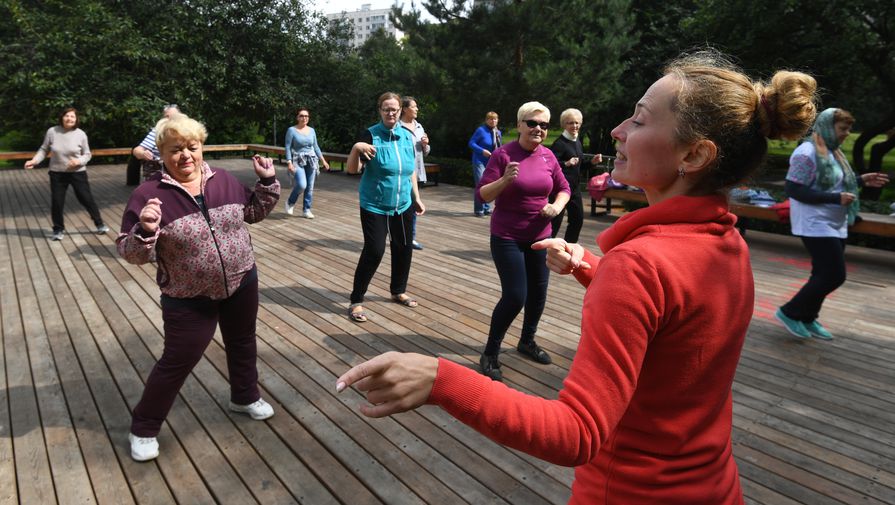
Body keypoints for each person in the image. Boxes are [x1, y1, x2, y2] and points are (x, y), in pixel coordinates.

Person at [335, 51, 820, 504]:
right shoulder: (727, 245)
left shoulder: (640, 266)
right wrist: (592, 268)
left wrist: (441, 378)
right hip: (714, 485)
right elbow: (679, 326)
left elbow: (578, 432)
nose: (617, 129)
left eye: (640, 119)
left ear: (693, 156)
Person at [116, 114, 280, 462]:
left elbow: (252, 212)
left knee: (242, 341)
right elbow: (131, 253)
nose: (186, 155)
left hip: (241, 280)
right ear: (161, 152)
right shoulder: (149, 195)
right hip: (188, 298)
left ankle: (245, 396)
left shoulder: (224, 180)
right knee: (178, 360)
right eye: (176, 149)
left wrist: (266, 183)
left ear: (202, 147)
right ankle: (143, 427)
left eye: (193, 147)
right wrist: (145, 229)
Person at [475, 101, 571, 380]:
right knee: (516, 295)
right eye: (532, 123)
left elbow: (564, 188)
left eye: (544, 125)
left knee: (538, 294)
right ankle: (491, 352)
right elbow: (483, 195)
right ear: (519, 125)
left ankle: (526, 341)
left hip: (540, 238)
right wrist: (504, 180)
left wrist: (556, 206)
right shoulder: (503, 155)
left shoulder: (548, 157)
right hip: (507, 236)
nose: (538, 129)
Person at [775, 108, 889, 339]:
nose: (847, 133)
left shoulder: (832, 152)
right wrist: (835, 199)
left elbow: (833, 183)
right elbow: (793, 189)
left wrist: (860, 180)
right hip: (814, 223)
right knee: (834, 275)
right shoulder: (806, 152)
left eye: (848, 129)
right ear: (827, 126)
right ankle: (790, 312)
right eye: (843, 128)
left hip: (835, 221)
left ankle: (808, 317)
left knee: (822, 273)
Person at [346, 92, 426, 323]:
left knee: (403, 247)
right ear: (380, 111)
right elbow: (352, 170)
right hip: (375, 204)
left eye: (394, 109)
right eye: (386, 109)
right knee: (375, 250)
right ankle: (356, 299)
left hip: (403, 203)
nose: (391, 113)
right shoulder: (371, 135)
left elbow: (409, 169)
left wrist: (416, 197)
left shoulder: (406, 135)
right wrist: (355, 148)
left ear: (401, 111)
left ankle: (398, 290)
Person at [24, 107, 110, 241]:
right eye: (67, 116)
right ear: (62, 117)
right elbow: (44, 149)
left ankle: (99, 224)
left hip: (77, 173)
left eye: (72, 116)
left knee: (86, 199)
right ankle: (58, 229)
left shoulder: (80, 134)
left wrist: (78, 161)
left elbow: (87, 154)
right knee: (57, 202)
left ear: (76, 119)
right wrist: (34, 161)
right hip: (57, 174)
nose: (69, 118)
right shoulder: (52, 131)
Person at [549, 108, 602, 243]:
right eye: (570, 123)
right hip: (560, 189)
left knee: (577, 220)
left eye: (577, 123)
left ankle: (569, 247)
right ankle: (542, 249)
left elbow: (580, 166)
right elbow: (550, 166)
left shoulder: (577, 142)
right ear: (564, 125)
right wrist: (566, 163)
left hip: (575, 189)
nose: (575, 126)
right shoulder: (559, 144)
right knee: (554, 222)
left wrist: (592, 162)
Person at [284, 106, 330, 218]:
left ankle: (306, 209)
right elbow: (288, 147)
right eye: (302, 116)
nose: (304, 118)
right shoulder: (291, 130)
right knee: (301, 185)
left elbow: (316, 146)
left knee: (310, 186)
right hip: (297, 160)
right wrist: (289, 162)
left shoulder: (312, 131)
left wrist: (323, 160)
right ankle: (290, 202)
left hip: (311, 160)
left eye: (306, 116)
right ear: (297, 117)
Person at [399, 96, 430, 250]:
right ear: (404, 109)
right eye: (414, 106)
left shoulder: (419, 127)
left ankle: (409, 237)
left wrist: (425, 145)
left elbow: (425, 153)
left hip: (417, 173)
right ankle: (404, 236)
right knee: (404, 204)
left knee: (412, 206)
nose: (417, 109)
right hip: (401, 173)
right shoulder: (397, 127)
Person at [132, 104, 180, 181]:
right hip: (159, 175)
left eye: (174, 116)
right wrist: (143, 154)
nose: (170, 119)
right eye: (167, 116)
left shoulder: (185, 132)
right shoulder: (157, 132)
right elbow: (136, 150)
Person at [468, 112, 502, 216]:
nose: (493, 121)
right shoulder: (481, 130)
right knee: (480, 184)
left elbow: (499, 146)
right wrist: (482, 150)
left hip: (491, 162)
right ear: (486, 120)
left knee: (489, 184)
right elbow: (471, 143)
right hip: (479, 161)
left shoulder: (498, 132)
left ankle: (487, 208)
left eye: (495, 119)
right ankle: (479, 209)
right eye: (491, 119)